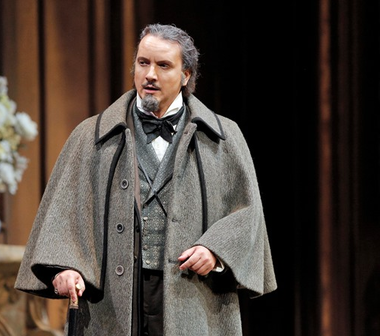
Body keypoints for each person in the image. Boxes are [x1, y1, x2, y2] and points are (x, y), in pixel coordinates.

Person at [15, 23, 277, 336]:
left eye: (163, 65)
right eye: (143, 63)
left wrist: (215, 252)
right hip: (113, 299)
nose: (150, 74)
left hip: (192, 296)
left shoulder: (223, 138)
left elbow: (247, 215)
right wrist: (65, 267)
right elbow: (64, 212)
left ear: (186, 75)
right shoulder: (91, 136)